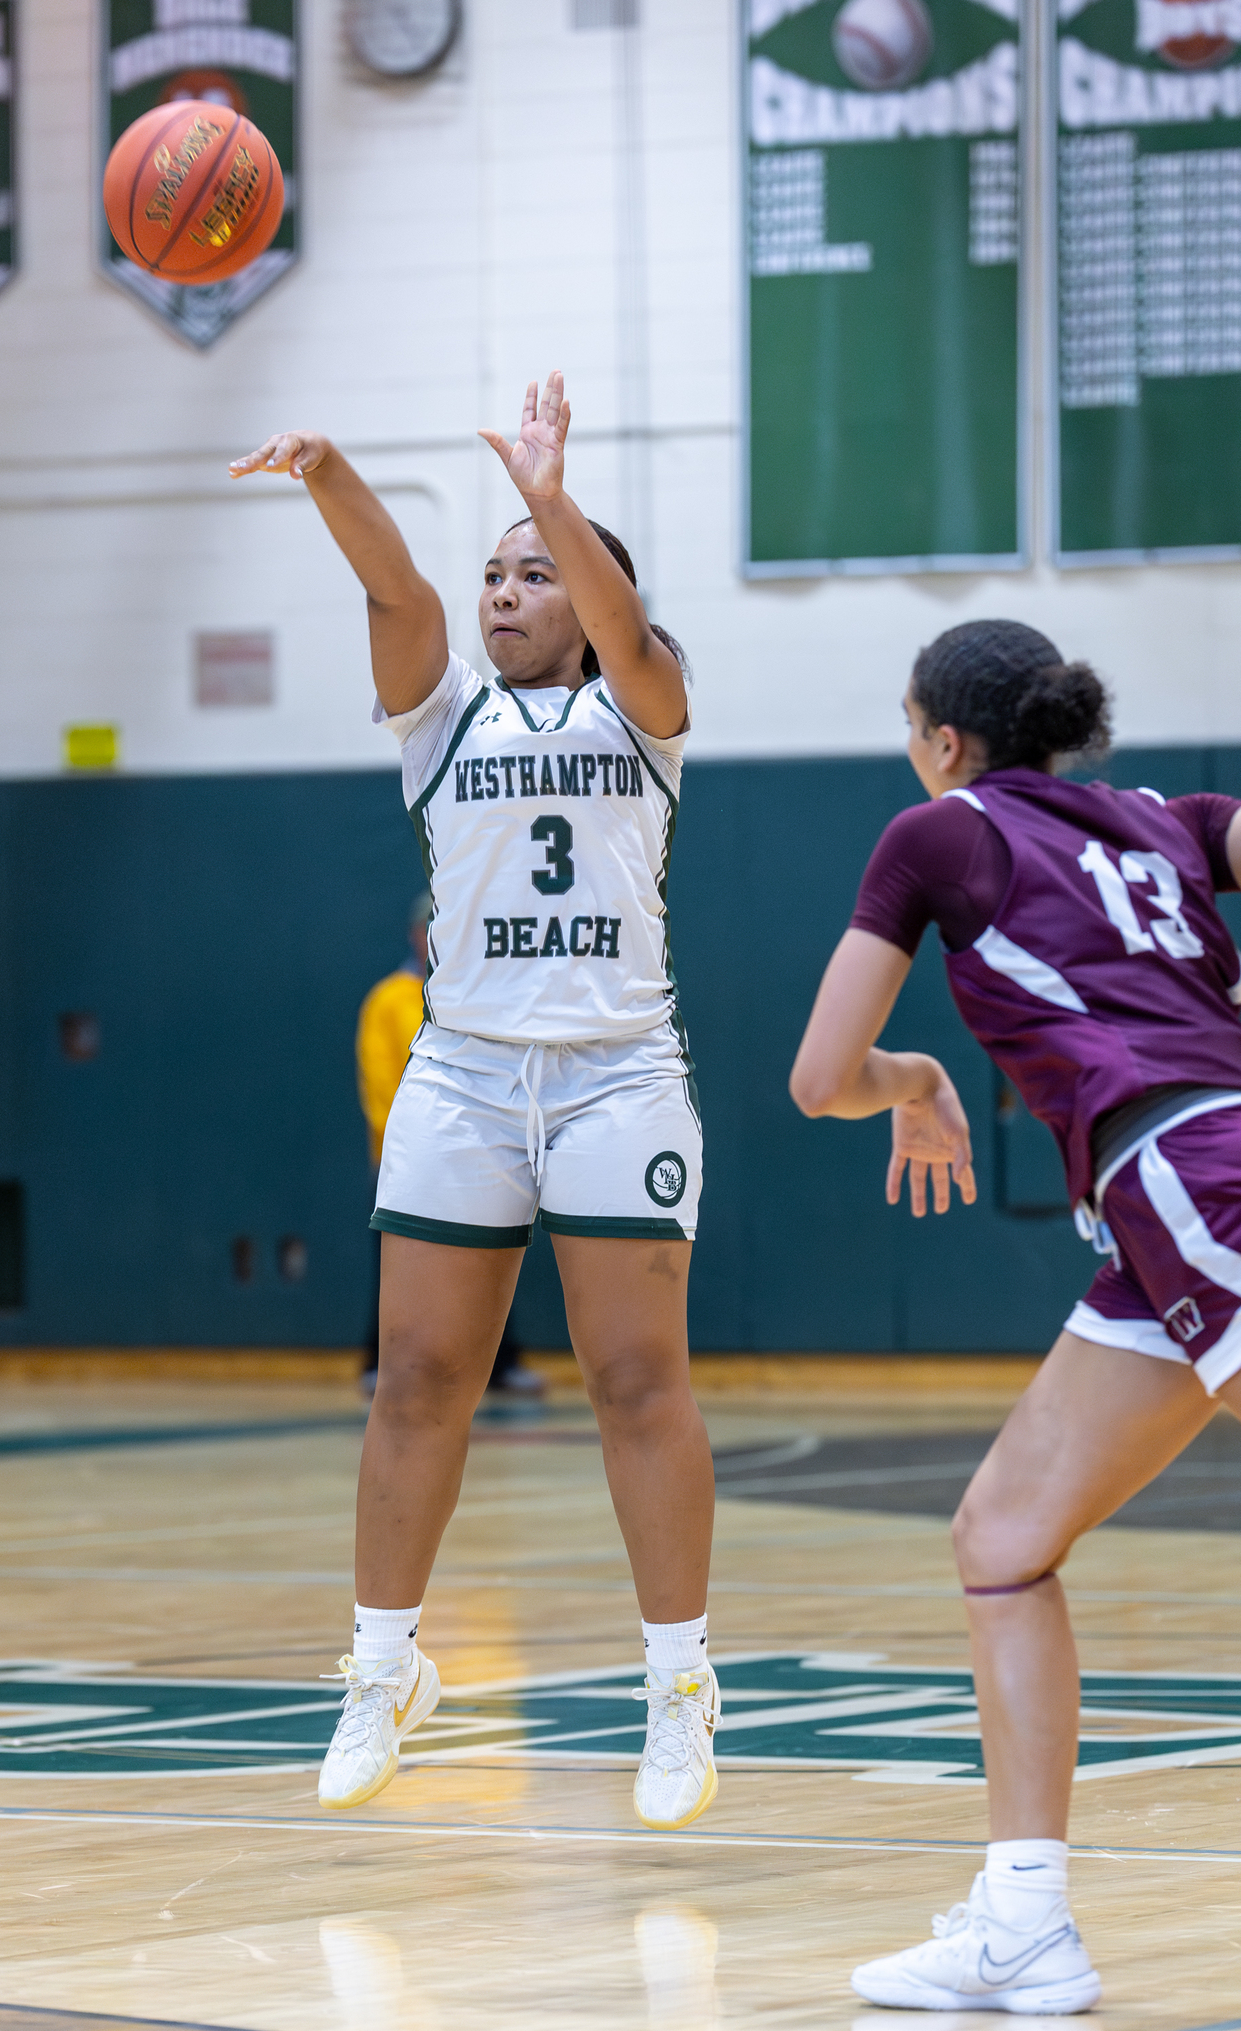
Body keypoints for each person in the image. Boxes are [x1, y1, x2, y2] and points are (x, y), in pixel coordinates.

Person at [231, 372, 716, 1830]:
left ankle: (680, 1681)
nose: (507, 588)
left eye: (536, 571)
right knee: (420, 1378)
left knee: (634, 1379)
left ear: (590, 592)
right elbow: (396, 596)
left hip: (619, 1076)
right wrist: (331, 474)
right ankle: (384, 1666)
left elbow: (628, 633)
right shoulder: (442, 721)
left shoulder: (649, 714)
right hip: (464, 1075)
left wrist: (554, 493)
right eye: (495, 568)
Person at [789, 618, 1241, 2015]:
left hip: (1189, 1164)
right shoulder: (1178, 817)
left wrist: (912, 1073)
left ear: (940, 736)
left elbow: (820, 1076)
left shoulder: (938, 835)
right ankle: (1024, 1920)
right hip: (1160, 1207)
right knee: (1002, 1535)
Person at [356, 892, 545, 1399]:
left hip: (479, 1147)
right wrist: (408, 1137)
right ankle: (379, 1362)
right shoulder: (390, 999)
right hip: (409, 1153)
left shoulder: (476, 995)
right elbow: (379, 1082)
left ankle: (499, 1364)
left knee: (494, 1260)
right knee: (399, 1269)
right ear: (417, 935)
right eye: (430, 927)